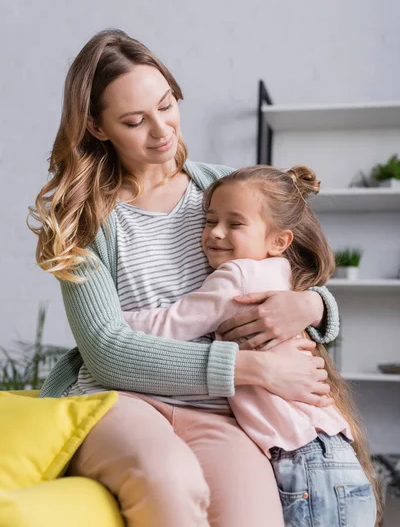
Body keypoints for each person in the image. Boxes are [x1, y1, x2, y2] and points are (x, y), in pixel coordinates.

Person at [29, 28, 340, 527]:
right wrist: (253, 369)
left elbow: (299, 267)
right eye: (135, 120)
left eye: (167, 104)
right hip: (117, 401)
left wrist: (316, 306)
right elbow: (106, 351)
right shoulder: (82, 218)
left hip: (216, 411)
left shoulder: (224, 188)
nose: (162, 130)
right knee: (169, 481)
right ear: (97, 127)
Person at [122, 164, 380, 527]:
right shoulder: (282, 273)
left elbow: (170, 325)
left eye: (235, 224)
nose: (216, 233)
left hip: (302, 461)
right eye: (210, 221)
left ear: (279, 240)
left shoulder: (236, 277)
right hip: (332, 452)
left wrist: (115, 323)